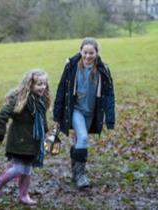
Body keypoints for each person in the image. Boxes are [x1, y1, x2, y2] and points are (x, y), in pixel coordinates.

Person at [53, 37, 115, 189]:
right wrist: (56, 115)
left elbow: (109, 95)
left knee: (79, 141)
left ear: (96, 53)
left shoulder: (103, 70)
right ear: (80, 51)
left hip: (91, 112)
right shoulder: (71, 67)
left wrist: (110, 118)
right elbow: (61, 90)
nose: (88, 56)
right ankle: (81, 176)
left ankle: (75, 172)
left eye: (91, 53)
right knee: (83, 137)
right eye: (85, 52)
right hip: (76, 111)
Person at [0, 69, 50, 205]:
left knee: (27, 170)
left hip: (33, 142)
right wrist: (0, 134)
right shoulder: (20, 100)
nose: (42, 87)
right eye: (39, 84)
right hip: (18, 141)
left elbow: (42, 120)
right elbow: (1, 116)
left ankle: (24, 196)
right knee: (19, 168)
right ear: (30, 85)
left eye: (44, 84)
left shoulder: (40, 101)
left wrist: (46, 133)